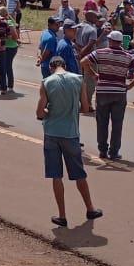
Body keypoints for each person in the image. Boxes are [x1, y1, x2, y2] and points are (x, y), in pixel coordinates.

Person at [37, 56, 104, 228]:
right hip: (71, 133)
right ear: (65, 66)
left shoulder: (46, 82)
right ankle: (90, 208)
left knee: (56, 175)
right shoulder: (78, 80)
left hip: (52, 132)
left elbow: (40, 112)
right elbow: (85, 108)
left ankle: (62, 215)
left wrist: (48, 111)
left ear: (52, 68)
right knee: (78, 173)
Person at [82, 30, 134, 161]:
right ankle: (114, 152)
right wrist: (130, 85)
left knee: (102, 122)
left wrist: (94, 74)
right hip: (119, 93)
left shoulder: (100, 53)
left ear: (110, 40)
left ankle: (103, 150)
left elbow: (84, 62)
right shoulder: (127, 56)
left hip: (103, 91)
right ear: (120, 42)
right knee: (117, 124)